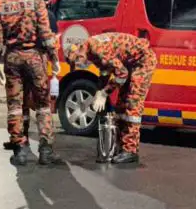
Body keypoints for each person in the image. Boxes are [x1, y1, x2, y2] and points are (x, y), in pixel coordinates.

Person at [0, 0, 60, 166]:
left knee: (15, 105)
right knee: (42, 104)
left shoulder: (1, 4)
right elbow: (46, 33)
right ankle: (46, 149)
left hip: (12, 59)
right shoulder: (36, 0)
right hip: (35, 58)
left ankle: (20, 149)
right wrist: (54, 58)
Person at [66, 32, 156, 166]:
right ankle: (118, 146)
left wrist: (104, 93)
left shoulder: (98, 49)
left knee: (132, 103)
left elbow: (122, 75)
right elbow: (105, 71)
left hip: (142, 61)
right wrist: (99, 91)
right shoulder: (90, 51)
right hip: (128, 63)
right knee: (120, 105)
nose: (80, 64)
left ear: (81, 50)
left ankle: (130, 150)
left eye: (78, 60)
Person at [14, 0, 59, 151]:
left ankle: (21, 141)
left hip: (17, 63)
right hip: (38, 61)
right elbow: (52, 40)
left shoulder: (16, 12)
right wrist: (54, 60)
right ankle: (45, 146)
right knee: (42, 104)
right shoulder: (47, 14)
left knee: (21, 103)